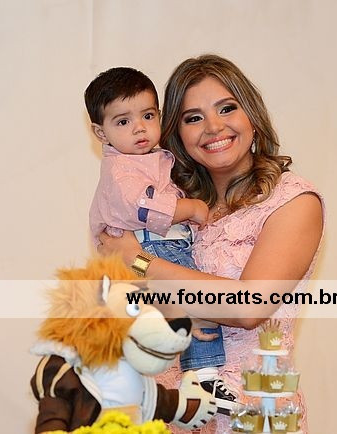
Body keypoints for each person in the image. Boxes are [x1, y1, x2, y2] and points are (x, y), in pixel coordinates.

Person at [98, 54, 324, 433]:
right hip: (170, 411)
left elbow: (249, 307)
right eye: (193, 117)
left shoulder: (293, 201)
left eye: (227, 108)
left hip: (251, 414)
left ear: (252, 115)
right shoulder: (171, 206)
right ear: (176, 133)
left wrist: (140, 263)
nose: (213, 127)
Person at [85, 67, 236, 414]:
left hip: (151, 248)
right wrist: (191, 208)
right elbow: (142, 206)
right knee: (196, 302)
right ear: (101, 132)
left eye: (148, 116)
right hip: (153, 246)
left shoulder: (151, 159)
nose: (139, 128)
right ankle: (204, 375)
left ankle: (193, 375)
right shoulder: (122, 169)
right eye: (123, 121)